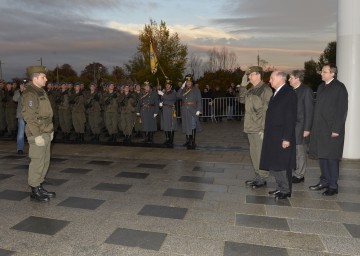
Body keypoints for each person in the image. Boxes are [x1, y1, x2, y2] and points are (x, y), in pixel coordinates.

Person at [308, 64, 348, 196]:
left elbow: (342, 110)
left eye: (324, 72)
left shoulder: (339, 88)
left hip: (331, 129)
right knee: (322, 156)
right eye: (322, 71)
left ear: (332, 74)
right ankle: (324, 181)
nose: (321, 74)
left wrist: (336, 129)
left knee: (331, 158)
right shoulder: (320, 87)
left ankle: (333, 185)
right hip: (320, 128)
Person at [260, 71, 297, 199]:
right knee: (275, 162)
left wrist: (287, 137)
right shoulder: (277, 93)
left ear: (281, 79)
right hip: (273, 134)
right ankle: (280, 187)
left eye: (272, 78)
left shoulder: (289, 93)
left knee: (282, 164)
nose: (269, 81)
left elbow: (290, 117)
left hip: (282, 135)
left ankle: (286, 190)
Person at [21, 66, 55, 202]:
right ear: (35, 78)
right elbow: (29, 117)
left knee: (45, 161)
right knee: (37, 161)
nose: (46, 79)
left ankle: (39, 186)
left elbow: (46, 113)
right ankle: (35, 189)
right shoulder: (30, 93)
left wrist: (50, 130)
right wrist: (37, 135)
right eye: (43, 77)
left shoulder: (40, 91)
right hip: (38, 132)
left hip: (46, 130)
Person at [239, 66, 273, 188]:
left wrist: (263, 129)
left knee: (260, 153)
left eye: (251, 74)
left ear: (258, 75)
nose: (249, 76)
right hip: (250, 126)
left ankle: (263, 176)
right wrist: (243, 86)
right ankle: (258, 174)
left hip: (259, 128)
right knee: (254, 152)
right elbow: (242, 100)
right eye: (249, 75)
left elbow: (266, 111)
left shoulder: (265, 90)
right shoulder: (252, 89)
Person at [288, 70, 314, 183]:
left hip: (301, 127)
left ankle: (300, 175)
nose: (289, 80)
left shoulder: (306, 91)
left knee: (300, 152)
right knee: (294, 151)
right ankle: (295, 171)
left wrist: (307, 129)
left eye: (291, 78)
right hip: (292, 126)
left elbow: (309, 111)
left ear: (297, 78)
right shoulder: (291, 90)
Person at [176, 74, 202, 149]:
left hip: (192, 110)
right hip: (184, 110)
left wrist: (198, 110)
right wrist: (182, 87)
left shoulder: (196, 90)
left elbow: (199, 101)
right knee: (186, 125)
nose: (188, 83)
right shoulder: (183, 90)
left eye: (190, 81)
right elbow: (177, 96)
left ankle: (192, 141)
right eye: (187, 81)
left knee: (192, 125)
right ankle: (188, 140)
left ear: (192, 82)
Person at [158, 79, 177, 147]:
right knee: (165, 125)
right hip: (164, 109)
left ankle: (171, 140)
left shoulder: (173, 93)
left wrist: (162, 94)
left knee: (171, 125)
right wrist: (160, 103)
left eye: (168, 85)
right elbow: (162, 100)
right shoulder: (164, 92)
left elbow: (170, 98)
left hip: (170, 110)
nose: (167, 86)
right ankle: (167, 139)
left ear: (171, 86)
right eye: (166, 85)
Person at [13, 82, 26, 154]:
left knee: (31, 132)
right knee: (21, 132)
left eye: (23, 85)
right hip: (21, 115)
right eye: (21, 85)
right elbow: (14, 99)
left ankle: (34, 149)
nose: (22, 86)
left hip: (29, 115)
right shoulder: (17, 92)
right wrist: (20, 91)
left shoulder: (29, 91)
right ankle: (20, 148)